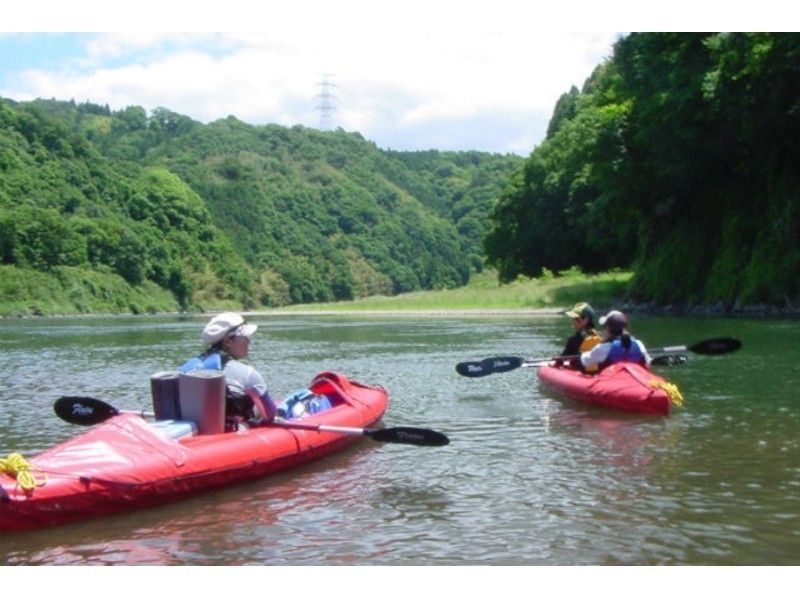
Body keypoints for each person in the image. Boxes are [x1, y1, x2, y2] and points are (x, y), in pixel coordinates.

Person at [179, 312, 276, 426]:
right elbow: (269, 415)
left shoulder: (186, 368)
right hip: (229, 435)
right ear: (228, 341)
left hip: (191, 433)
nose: (248, 341)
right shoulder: (247, 373)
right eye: (245, 337)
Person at [580, 310, 651, 372]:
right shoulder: (639, 344)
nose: (603, 330)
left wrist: (584, 354)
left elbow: (584, 361)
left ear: (608, 328)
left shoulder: (603, 348)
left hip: (610, 384)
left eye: (604, 327)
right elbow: (648, 363)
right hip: (636, 384)